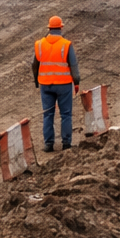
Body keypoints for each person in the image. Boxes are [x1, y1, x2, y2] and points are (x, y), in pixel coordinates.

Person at [33, 16, 79, 152]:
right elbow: (74, 66)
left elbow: (34, 65)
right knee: (66, 114)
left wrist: (37, 81)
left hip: (45, 85)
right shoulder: (66, 44)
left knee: (47, 114)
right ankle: (66, 143)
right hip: (64, 85)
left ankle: (48, 144)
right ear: (61, 28)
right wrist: (76, 82)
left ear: (49, 29)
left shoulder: (40, 44)